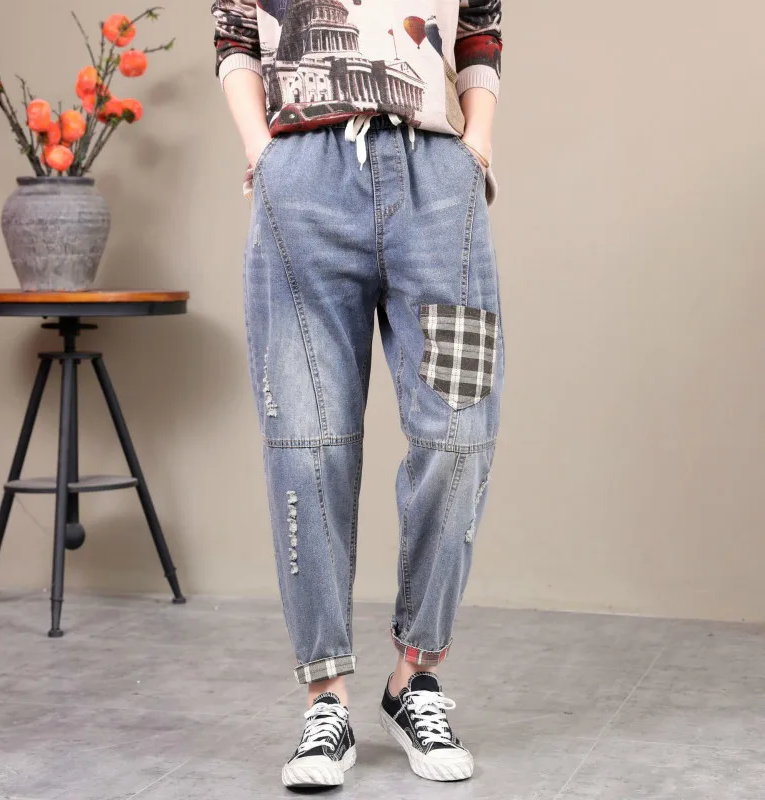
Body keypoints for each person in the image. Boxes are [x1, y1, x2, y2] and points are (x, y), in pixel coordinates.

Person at [212, 0, 504, 788]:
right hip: (303, 180)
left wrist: (476, 143)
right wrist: (262, 150)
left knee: (460, 433)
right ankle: (326, 700)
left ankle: (415, 678)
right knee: (306, 446)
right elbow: (234, 36)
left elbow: (480, 28)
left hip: (436, 185)